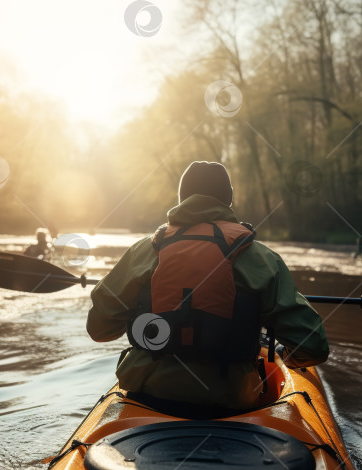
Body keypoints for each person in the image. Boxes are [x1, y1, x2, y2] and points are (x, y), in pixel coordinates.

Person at [87, 161, 329, 412]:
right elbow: (314, 347)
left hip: (148, 398)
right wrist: (286, 354)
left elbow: (98, 329)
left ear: (181, 199)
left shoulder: (144, 251)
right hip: (230, 403)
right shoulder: (262, 258)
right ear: (229, 201)